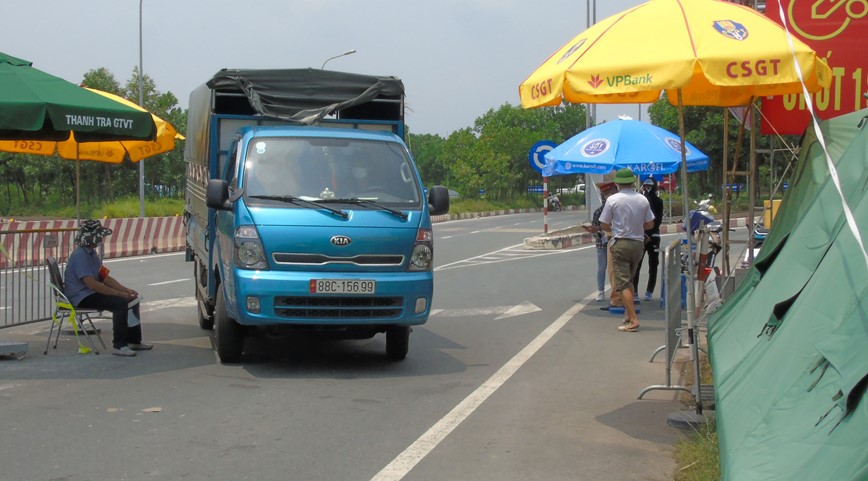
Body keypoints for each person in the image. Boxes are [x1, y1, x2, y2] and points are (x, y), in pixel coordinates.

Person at [64, 219, 153, 357]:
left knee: (132, 301)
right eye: (98, 236)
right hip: (82, 297)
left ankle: (134, 340)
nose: (101, 239)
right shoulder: (80, 256)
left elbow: (105, 278)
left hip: (90, 293)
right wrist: (118, 294)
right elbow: (92, 284)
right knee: (120, 304)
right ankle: (119, 345)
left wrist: (125, 290)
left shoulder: (92, 254)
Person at [599, 168, 655, 332]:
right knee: (629, 279)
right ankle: (627, 315)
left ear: (617, 183)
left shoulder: (613, 200)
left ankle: (634, 320)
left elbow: (603, 223)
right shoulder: (643, 199)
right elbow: (650, 224)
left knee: (622, 284)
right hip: (638, 244)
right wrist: (637, 227)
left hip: (621, 243)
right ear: (633, 182)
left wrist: (616, 227)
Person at [583, 182, 618, 302]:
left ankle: (619, 293)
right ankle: (601, 291)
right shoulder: (598, 212)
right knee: (602, 267)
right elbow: (595, 229)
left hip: (617, 241)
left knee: (617, 269)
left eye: (608, 192)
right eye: (604, 194)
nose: (606, 196)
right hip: (602, 243)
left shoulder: (618, 208)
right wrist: (596, 230)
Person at [632, 176, 664, 301]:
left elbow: (658, 221)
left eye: (650, 186)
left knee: (653, 264)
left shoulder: (659, 201)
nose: (648, 188)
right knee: (637, 264)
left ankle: (649, 291)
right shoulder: (640, 201)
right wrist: (644, 234)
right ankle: (634, 291)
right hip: (641, 236)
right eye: (646, 186)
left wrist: (649, 235)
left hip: (654, 236)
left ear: (654, 187)